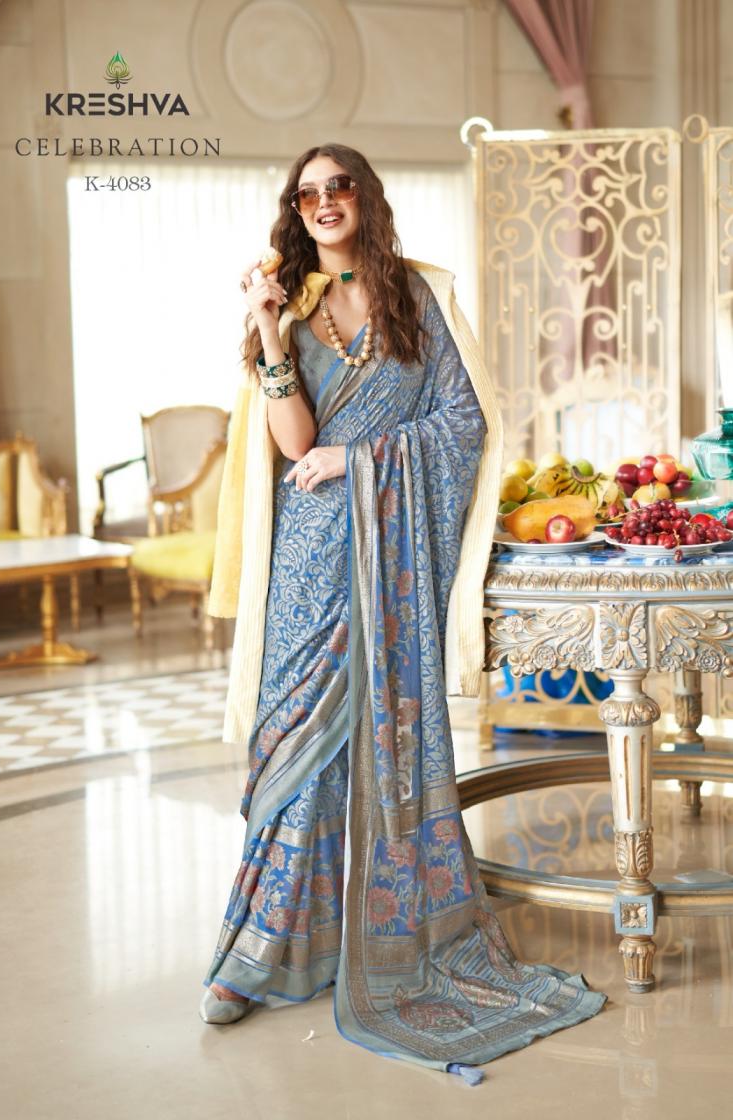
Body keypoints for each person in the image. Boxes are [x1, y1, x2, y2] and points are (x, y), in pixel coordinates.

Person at [199, 142, 607, 1083]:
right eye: (307, 193)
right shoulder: (287, 309)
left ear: (365, 197)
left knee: (380, 739)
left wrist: (361, 460)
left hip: (390, 551)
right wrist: (264, 328)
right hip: (311, 556)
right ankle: (262, 952)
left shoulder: (417, 296)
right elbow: (292, 439)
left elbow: (461, 423)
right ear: (295, 210)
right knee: (293, 750)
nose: (324, 202)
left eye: (338, 186)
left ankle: (393, 936)